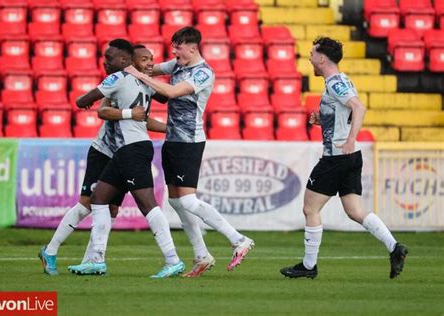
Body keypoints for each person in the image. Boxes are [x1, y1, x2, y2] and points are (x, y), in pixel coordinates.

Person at [38, 41, 178, 277]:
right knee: (89, 203)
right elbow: (103, 111)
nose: (104, 62)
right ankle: (52, 251)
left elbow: (145, 115)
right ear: (132, 62)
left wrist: (169, 127)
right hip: (105, 150)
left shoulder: (135, 83)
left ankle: (93, 260)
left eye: (109, 58)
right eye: (144, 59)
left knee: (108, 207)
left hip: (125, 151)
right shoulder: (115, 81)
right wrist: (130, 110)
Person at [124, 26, 254, 277]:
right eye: (174, 47)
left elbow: (171, 92)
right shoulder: (177, 65)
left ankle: (238, 239)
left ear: (193, 48)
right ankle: (201, 255)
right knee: (175, 200)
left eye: (178, 47)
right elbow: (151, 68)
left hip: (189, 142)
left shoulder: (203, 72)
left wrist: (139, 75)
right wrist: (135, 65)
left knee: (187, 200)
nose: (174, 51)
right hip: (173, 139)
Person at [280, 37, 408, 279]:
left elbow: (358, 107)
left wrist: (349, 139)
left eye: (312, 53)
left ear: (322, 58)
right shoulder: (339, 81)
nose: (309, 58)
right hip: (350, 156)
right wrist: (323, 119)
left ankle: (308, 266)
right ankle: (394, 247)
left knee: (310, 208)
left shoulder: (336, 82)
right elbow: (345, 112)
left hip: (337, 156)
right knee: (355, 210)